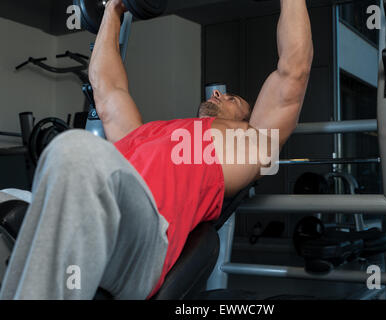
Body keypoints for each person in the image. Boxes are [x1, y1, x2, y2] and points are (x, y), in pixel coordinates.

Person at [0, 0, 313, 300]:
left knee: (73, 148)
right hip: (102, 213)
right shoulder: (144, 133)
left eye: (232, 99)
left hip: (145, 242)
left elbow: (293, 72)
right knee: (7, 196)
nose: (219, 93)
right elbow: (107, 87)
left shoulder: (246, 141)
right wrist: (114, 8)